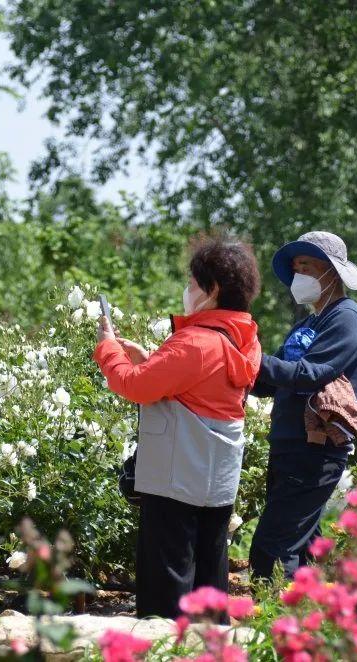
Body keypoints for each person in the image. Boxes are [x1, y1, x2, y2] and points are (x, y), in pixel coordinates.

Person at [93, 237, 262, 618]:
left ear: (212, 289)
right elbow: (201, 391)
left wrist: (108, 348)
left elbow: (134, 386)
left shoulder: (195, 342)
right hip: (215, 483)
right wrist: (150, 360)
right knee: (209, 579)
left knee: (166, 590)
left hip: (173, 482)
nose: (187, 291)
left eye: (192, 283)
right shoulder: (244, 341)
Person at [248, 231, 357, 580]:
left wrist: (250, 357)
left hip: (315, 452)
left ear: (331, 272)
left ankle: (273, 623)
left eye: (306, 265)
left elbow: (310, 374)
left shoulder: (348, 318)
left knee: (271, 548)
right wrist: (236, 368)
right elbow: (278, 380)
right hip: (288, 447)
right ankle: (314, 623)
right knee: (304, 548)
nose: (298, 274)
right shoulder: (308, 323)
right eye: (295, 267)